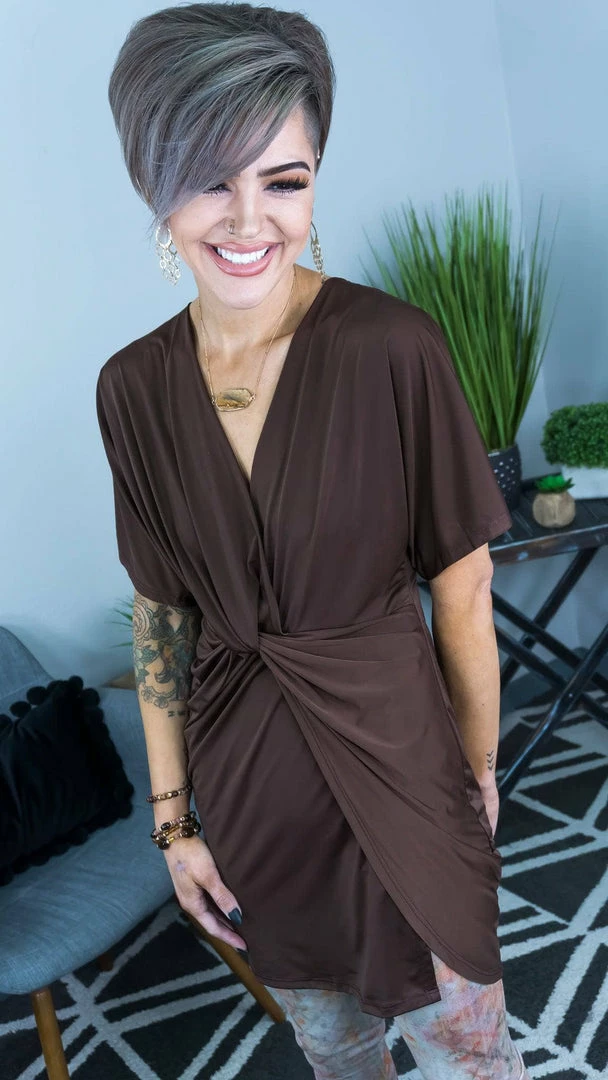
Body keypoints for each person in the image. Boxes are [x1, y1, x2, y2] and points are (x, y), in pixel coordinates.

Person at [96, 4, 530, 1078]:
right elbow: (162, 619)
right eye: (210, 179)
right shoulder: (133, 389)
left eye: (283, 180)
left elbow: (464, 589)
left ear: (315, 181)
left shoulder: (391, 345)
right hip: (250, 786)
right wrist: (174, 826)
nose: (250, 218)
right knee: (336, 1052)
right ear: (154, 184)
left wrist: (476, 771)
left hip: (401, 763)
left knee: (470, 1052)